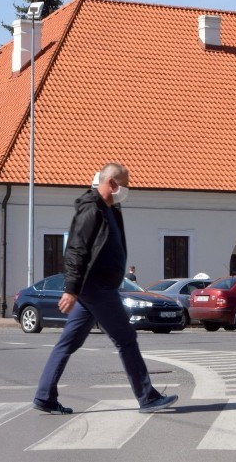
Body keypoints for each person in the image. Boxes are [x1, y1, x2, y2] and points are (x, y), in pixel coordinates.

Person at [33, 162, 178, 415]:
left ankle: (45, 396)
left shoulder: (111, 208)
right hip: (97, 287)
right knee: (126, 339)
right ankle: (147, 397)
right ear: (111, 183)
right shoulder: (92, 211)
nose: (128, 189)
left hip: (97, 287)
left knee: (68, 342)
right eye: (126, 184)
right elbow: (76, 250)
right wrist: (70, 289)